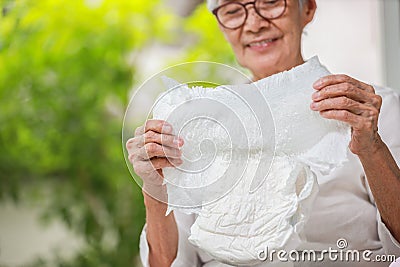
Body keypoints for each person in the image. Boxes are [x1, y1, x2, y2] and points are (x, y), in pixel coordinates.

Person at [126, 0, 400, 266]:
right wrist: (155, 186)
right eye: (233, 10)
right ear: (222, 26)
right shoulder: (199, 124)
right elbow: (167, 263)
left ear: (308, 8)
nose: (255, 24)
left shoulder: (368, 112)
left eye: (271, 2)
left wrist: (372, 146)